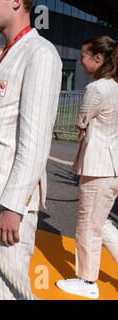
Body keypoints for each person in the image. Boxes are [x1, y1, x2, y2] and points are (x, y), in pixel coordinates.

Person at [0, 0, 62, 300]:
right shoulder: (4, 55)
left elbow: (35, 140)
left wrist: (14, 206)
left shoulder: (40, 54)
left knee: (11, 291)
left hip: (9, 199)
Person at [56, 35, 118, 299]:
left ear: (98, 58)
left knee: (87, 225)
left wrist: (83, 125)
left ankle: (87, 280)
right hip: (111, 165)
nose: (80, 61)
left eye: (83, 56)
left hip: (98, 166)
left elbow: (81, 120)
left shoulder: (97, 89)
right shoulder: (115, 86)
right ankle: (89, 278)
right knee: (100, 223)